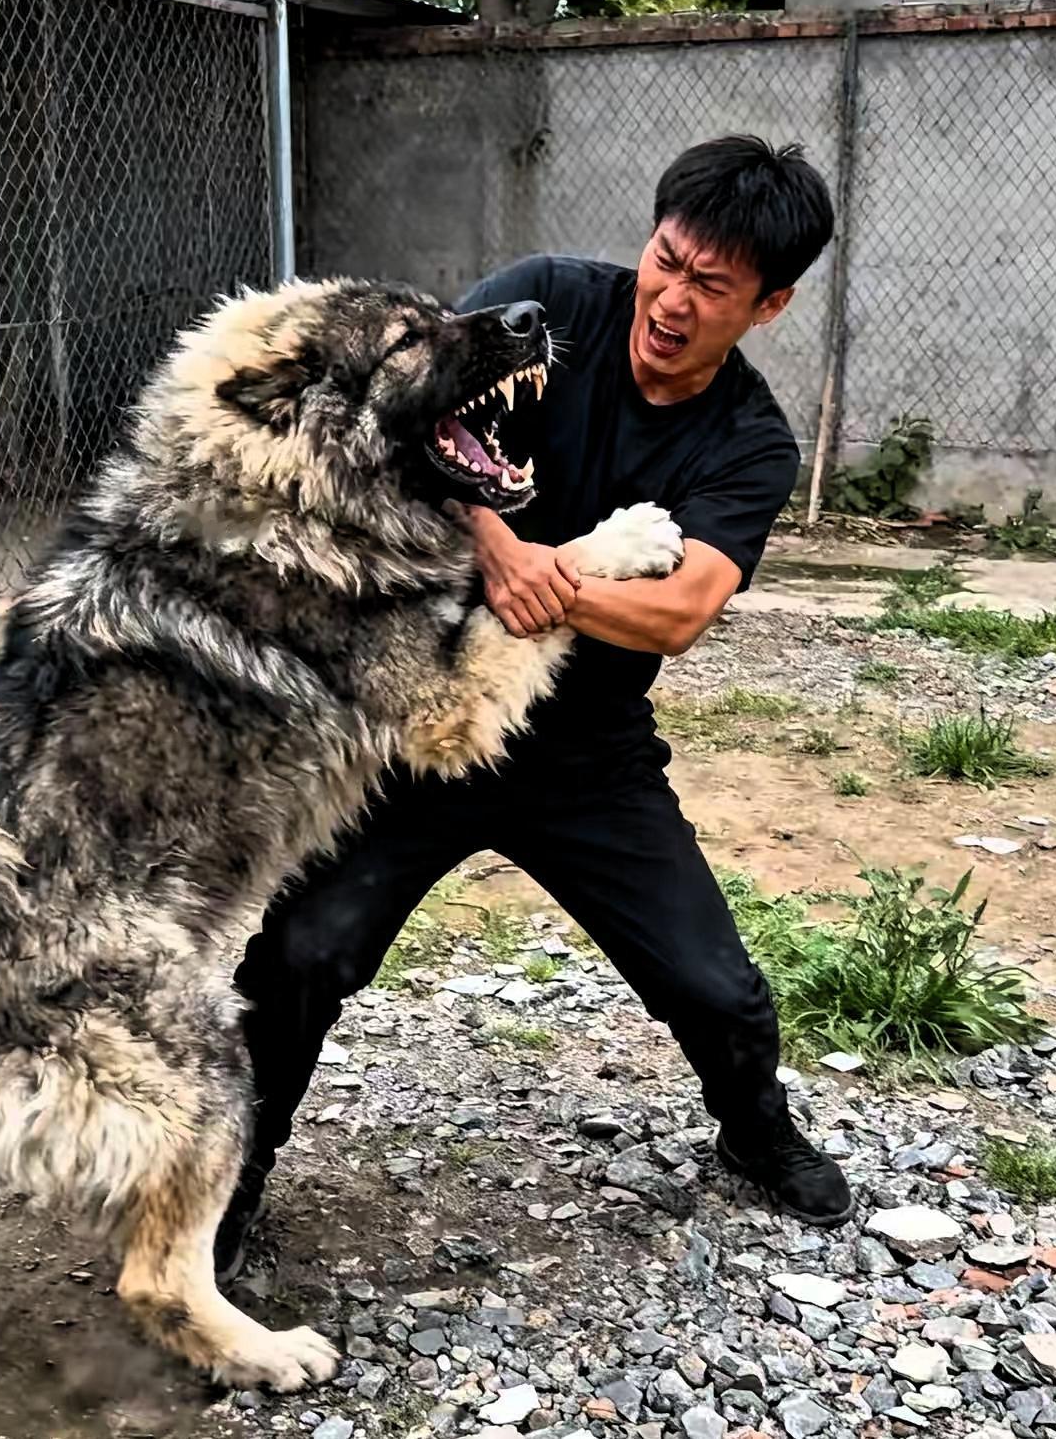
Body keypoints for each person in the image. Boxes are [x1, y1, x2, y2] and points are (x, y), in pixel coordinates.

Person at [215, 134, 852, 1281]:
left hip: (584, 757)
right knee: (302, 951)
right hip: (428, 720)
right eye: (666, 260)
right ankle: (229, 1180)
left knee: (714, 986)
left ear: (768, 305)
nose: (672, 298)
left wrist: (543, 578)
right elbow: (399, 428)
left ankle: (755, 1129)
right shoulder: (548, 303)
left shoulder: (747, 440)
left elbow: (678, 613)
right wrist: (497, 544)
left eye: (712, 288)